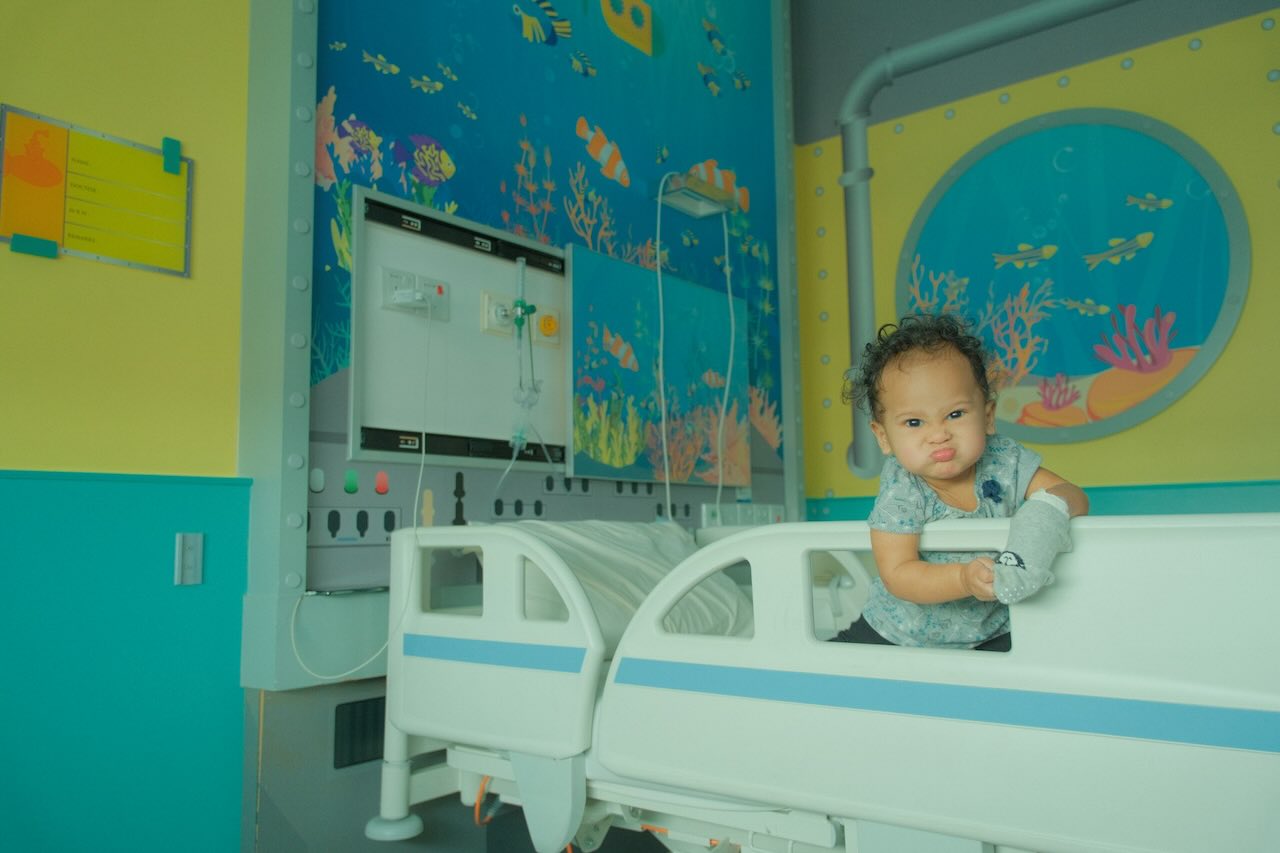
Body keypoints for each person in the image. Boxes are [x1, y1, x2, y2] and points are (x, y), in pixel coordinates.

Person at [833, 313, 1088, 650]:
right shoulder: (903, 486)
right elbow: (899, 573)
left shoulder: (1004, 460)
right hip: (899, 633)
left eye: (955, 414)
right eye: (913, 422)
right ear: (883, 437)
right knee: (837, 668)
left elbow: (1071, 495)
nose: (938, 434)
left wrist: (1043, 513)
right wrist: (962, 578)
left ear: (987, 416)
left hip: (992, 631)